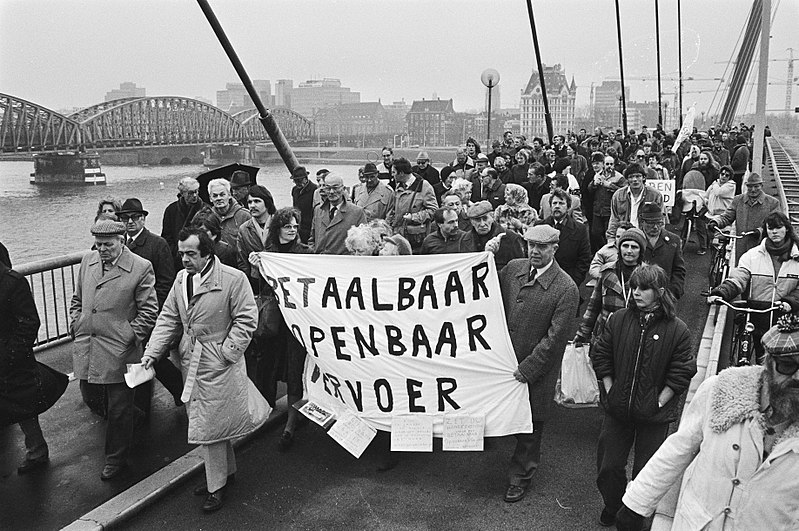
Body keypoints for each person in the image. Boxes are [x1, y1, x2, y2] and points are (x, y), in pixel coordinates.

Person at [615, 317, 799, 530]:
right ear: (767, 363)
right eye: (787, 366)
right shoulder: (721, 390)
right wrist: (636, 503)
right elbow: (679, 447)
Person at [142, 227, 265, 513]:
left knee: (209, 424)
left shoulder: (234, 279)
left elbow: (247, 320)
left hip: (218, 361)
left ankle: (216, 486)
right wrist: (152, 353)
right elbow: (168, 318)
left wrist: (227, 353)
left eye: (190, 254)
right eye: (181, 253)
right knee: (212, 420)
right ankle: (225, 473)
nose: (184, 259)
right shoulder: (181, 279)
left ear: (207, 253)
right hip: (191, 359)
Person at [590, 263, 695, 527]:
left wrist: (660, 401)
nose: (636, 292)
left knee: (646, 473)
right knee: (608, 467)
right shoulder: (619, 319)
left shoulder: (678, 329)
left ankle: (634, 516)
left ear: (659, 292)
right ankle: (614, 505)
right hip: (618, 410)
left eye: (644, 288)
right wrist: (610, 388)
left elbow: (682, 371)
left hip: (654, 416)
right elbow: (601, 354)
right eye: (634, 287)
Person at [70, 219, 158, 480]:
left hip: (120, 348)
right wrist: (76, 322)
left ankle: (115, 459)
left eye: (108, 245)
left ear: (122, 241)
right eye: (98, 245)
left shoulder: (141, 268)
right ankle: (135, 415)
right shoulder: (88, 261)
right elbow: (77, 299)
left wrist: (130, 336)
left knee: (118, 408)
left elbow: (149, 311)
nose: (102, 250)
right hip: (88, 341)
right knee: (90, 396)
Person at [498, 224, 580, 503]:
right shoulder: (512, 269)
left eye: (541, 247)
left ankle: (519, 478)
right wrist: (482, 258)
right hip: (501, 363)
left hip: (534, 371)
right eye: (530, 245)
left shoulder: (566, 288)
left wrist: (527, 369)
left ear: (554, 249)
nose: (534, 251)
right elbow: (482, 290)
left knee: (531, 427)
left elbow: (555, 339)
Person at [0, 249, 68, 475]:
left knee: (22, 404)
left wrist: (10, 355)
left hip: (12, 360)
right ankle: (36, 450)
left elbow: (29, 323)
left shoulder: (12, 283)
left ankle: (37, 450)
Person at [249, 208, 310, 451]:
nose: (293, 230)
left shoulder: (306, 253)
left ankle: (290, 425)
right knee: (269, 366)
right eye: (288, 227)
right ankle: (266, 411)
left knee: (295, 371)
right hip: (274, 322)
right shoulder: (268, 255)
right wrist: (256, 266)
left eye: (296, 226)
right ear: (278, 230)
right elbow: (260, 286)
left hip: (296, 323)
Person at [117, 198, 182, 415]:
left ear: (144, 219)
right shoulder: (119, 244)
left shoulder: (157, 244)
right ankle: (146, 405)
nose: (130, 222)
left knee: (155, 358)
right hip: (126, 315)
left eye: (135, 217)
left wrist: (156, 312)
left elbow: (166, 281)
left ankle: (177, 393)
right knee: (143, 359)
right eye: (125, 218)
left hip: (148, 314)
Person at [709, 212, 799, 363]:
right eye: (770, 228)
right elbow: (739, 277)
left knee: (783, 363)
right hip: (759, 315)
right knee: (760, 358)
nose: (774, 232)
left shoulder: (797, 258)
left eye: (778, 228)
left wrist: (790, 302)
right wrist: (722, 292)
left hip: (786, 318)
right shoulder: (752, 256)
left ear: (787, 229)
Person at [575, 228, 646, 344]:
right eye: (625, 246)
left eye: (634, 247)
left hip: (634, 334)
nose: (628, 251)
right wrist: (583, 333)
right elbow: (593, 305)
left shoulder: (648, 275)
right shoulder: (607, 272)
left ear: (641, 251)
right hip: (605, 333)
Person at [707, 172, 782, 265]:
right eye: (750, 186)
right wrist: (716, 222)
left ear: (761, 186)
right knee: (741, 271)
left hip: (763, 246)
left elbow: (775, 225)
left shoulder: (772, 203)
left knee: (759, 271)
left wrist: (760, 231)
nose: (753, 189)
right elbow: (727, 216)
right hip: (742, 246)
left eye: (756, 186)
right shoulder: (738, 200)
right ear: (746, 186)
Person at [535, 190, 592, 288]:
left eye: (561, 203)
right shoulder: (540, 226)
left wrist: (574, 281)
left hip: (568, 281)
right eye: (554, 203)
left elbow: (584, 259)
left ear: (568, 207)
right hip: (542, 281)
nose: (557, 206)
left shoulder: (579, 229)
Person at [387, 157, 438, 253]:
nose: (392, 175)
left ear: (401, 173)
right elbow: (394, 210)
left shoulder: (424, 186)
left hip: (416, 241)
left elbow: (433, 210)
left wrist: (413, 217)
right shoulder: (399, 186)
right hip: (398, 237)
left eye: (394, 172)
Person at [309, 173, 367, 255]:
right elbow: (312, 238)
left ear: (343, 189)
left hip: (343, 263)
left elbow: (363, 244)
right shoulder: (318, 210)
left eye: (335, 188)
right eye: (328, 188)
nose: (331, 192)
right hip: (320, 262)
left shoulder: (357, 212)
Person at [459, 201, 526, 271]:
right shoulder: (464, 240)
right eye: (477, 220)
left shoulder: (511, 238)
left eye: (485, 218)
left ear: (492, 217)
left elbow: (520, 270)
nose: (482, 224)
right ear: (471, 222)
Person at [638, 202, 686, 299]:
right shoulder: (635, 240)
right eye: (651, 223)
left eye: (659, 222)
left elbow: (679, 269)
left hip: (666, 295)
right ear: (642, 222)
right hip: (640, 294)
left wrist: (674, 291)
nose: (655, 227)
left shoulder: (674, 240)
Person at [162, 176, 211, 270]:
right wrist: (177, 252)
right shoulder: (171, 210)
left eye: (196, 191)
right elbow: (167, 236)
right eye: (191, 193)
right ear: (182, 194)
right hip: (178, 257)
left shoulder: (205, 209)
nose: (195, 195)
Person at [607, 163, 663, 242]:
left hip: (647, 237)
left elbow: (661, 220)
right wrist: (611, 239)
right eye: (631, 177)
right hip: (625, 236)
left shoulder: (655, 195)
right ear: (627, 179)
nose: (635, 180)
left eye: (638, 176)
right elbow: (614, 219)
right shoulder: (618, 195)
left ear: (643, 178)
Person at [205, 178, 252, 248]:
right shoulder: (207, 217)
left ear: (229, 195)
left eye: (222, 194)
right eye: (215, 196)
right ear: (210, 198)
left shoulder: (245, 216)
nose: (218, 198)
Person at [290, 166, 317, 244]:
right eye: (295, 181)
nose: (297, 183)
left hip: (309, 227)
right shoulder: (294, 190)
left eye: (299, 180)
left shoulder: (314, 190)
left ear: (306, 178)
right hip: (298, 226)